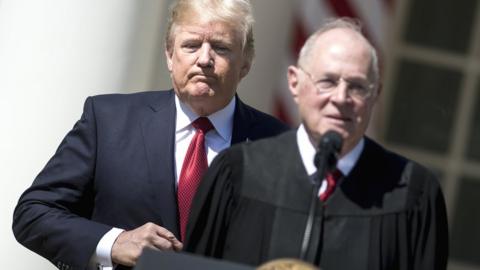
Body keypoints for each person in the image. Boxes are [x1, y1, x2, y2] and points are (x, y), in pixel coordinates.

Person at [12, 0, 289, 269]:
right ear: (170, 55)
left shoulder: (279, 144)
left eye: (221, 47)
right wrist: (115, 242)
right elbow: (34, 213)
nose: (204, 59)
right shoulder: (109, 120)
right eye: (191, 45)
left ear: (246, 63)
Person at [185, 18, 449, 270]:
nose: (341, 98)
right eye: (327, 81)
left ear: (375, 94)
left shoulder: (411, 193)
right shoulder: (238, 172)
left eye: (357, 86)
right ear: (295, 82)